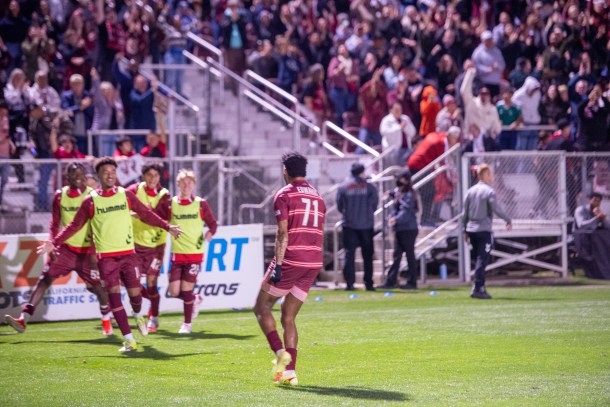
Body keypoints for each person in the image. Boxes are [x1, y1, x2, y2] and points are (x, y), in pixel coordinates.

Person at [37, 157, 182, 352]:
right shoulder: (90, 201)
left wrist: (167, 226)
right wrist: (54, 242)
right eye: (105, 172)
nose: (110, 175)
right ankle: (129, 340)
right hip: (106, 258)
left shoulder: (125, 195)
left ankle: (138, 314)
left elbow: (146, 214)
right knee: (114, 297)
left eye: (113, 171)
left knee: (136, 296)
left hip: (129, 255)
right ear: (98, 176)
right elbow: (74, 225)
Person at [4, 163, 112, 335]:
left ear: (86, 176)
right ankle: (24, 319)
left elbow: (96, 226)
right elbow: (55, 223)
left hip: (86, 252)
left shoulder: (92, 196)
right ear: (67, 177)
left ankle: (106, 319)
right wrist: (52, 243)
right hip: (66, 250)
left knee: (97, 287)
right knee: (45, 279)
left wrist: (94, 253)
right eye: (74, 174)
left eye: (81, 174)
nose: (79, 177)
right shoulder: (60, 196)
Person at [252, 152, 326, 386]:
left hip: (293, 258)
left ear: (285, 170)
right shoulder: (318, 196)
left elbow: (283, 233)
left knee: (261, 307)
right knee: (289, 316)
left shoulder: (284, 195)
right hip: (313, 261)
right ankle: (289, 373)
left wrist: (279, 265)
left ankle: (279, 355)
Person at [168, 169, 218, 334]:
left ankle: (187, 324)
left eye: (189, 182)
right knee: (174, 291)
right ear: (178, 184)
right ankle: (195, 299)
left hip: (194, 254)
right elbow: (162, 221)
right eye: (183, 182)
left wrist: (210, 233)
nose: (186, 185)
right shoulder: (172, 203)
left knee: (186, 289)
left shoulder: (200, 203)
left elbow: (213, 223)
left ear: (194, 185)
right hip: (177, 254)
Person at [127, 163, 171, 333]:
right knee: (133, 283)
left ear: (160, 177)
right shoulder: (132, 190)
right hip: (134, 245)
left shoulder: (164, 195)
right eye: (149, 175)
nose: (153, 179)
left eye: (156, 175)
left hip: (155, 246)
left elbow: (159, 218)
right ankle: (149, 306)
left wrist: (140, 214)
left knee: (151, 283)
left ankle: (154, 317)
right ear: (143, 176)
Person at [462, 164, 512, 299]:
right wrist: (507, 219)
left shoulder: (470, 191)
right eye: (491, 173)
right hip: (483, 230)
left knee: (478, 259)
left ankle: (480, 287)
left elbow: (464, 213)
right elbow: (497, 209)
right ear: (486, 174)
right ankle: (478, 288)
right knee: (482, 260)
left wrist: (464, 230)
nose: (492, 176)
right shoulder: (489, 192)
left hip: (471, 230)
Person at [336, 162, 378, 291]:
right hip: (366, 225)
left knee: (349, 254)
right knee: (367, 255)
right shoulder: (370, 187)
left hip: (349, 225)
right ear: (362, 172)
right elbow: (374, 205)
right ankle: (368, 283)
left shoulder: (343, 187)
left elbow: (339, 206)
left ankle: (350, 283)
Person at [380, 171, 419, 289]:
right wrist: (390, 194)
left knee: (409, 255)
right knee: (397, 256)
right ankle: (390, 281)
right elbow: (397, 198)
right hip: (401, 229)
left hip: (408, 229)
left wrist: (396, 219)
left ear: (406, 180)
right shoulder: (401, 192)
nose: (398, 182)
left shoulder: (409, 194)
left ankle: (412, 282)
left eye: (400, 179)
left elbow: (406, 210)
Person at [573, 192, 610, 279]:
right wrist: (596, 218)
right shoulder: (580, 210)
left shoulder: (597, 211)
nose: (596, 203)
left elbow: (607, 227)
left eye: (598, 201)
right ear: (590, 200)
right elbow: (581, 225)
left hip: (594, 237)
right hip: (580, 236)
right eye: (594, 200)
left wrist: (602, 219)